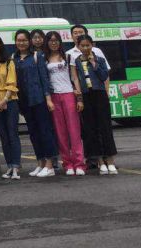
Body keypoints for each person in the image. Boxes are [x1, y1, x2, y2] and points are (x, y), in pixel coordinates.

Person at [13, 29, 58, 178]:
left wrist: (48, 99)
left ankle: (50, 165)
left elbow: (44, 78)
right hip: (24, 102)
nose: (21, 43)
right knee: (33, 133)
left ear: (29, 41)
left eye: (24, 40)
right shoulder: (14, 58)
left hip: (39, 99)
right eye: (19, 40)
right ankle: (40, 163)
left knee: (45, 131)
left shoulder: (37, 56)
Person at [71, 34, 118, 175]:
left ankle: (110, 161)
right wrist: (79, 98)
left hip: (100, 94)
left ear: (92, 45)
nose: (85, 48)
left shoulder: (100, 59)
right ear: (78, 47)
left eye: (88, 45)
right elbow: (76, 79)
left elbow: (104, 76)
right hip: (86, 96)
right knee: (91, 129)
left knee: (105, 128)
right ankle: (100, 162)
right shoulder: (76, 61)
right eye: (82, 45)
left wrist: (94, 63)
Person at [43, 31, 86, 176]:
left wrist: (79, 98)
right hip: (54, 96)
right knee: (60, 133)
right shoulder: (44, 59)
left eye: (56, 40)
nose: (53, 43)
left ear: (60, 42)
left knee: (74, 131)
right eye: (51, 40)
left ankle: (79, 164)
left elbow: (75, 78)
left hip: (69, 95)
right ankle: (67, 164)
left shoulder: (68, 57)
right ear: (47, 42)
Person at [0, 33, 21, 180]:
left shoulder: (9, 61)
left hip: (10, 101)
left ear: (0, 43)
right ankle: (9, 166)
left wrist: (4, 100)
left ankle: (16, 167)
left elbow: (12, 83)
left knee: (12, 134)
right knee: (4, 136)